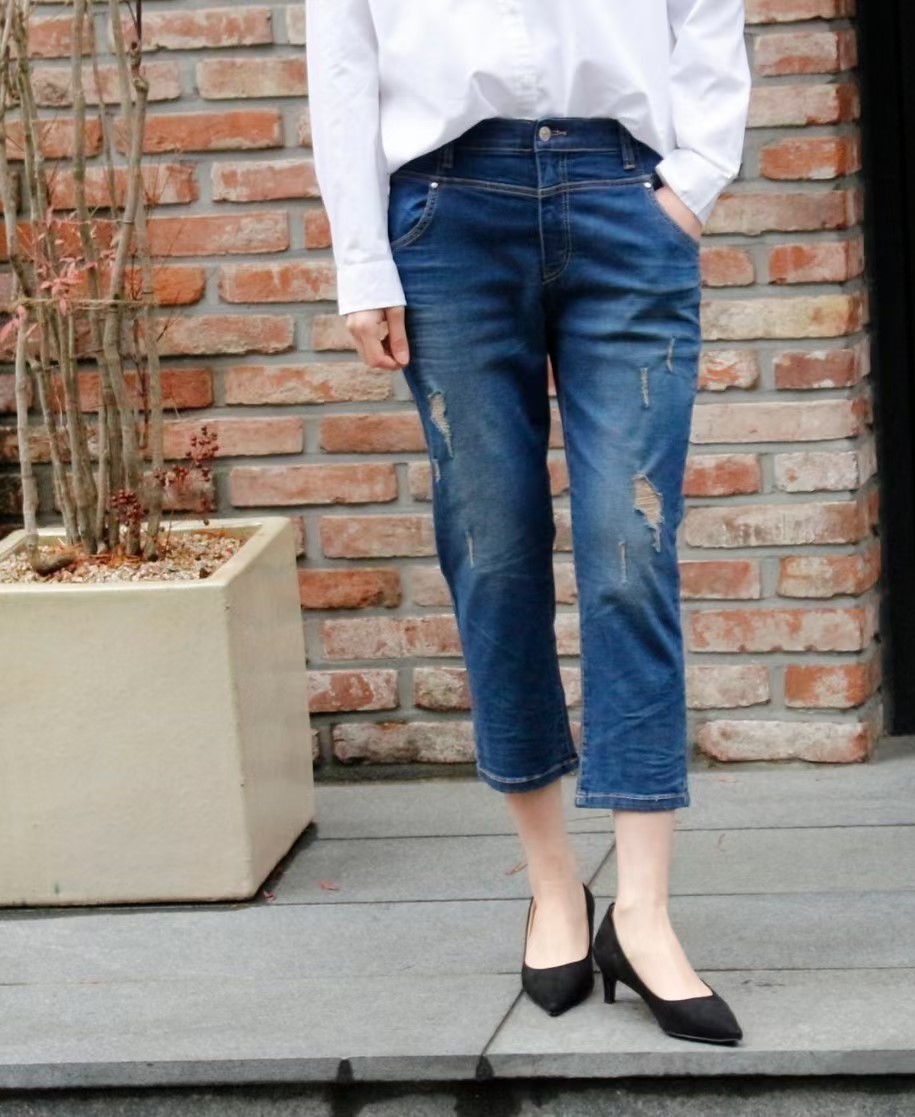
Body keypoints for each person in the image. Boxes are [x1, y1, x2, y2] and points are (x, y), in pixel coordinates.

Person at [306, 0, 752, 1045]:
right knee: (494, 553)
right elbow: (344, 60)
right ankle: (554, 885)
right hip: (446, 211)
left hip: (624, 195)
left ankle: (642, 913)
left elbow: (707, 16)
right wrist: (361, 261)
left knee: (630, 550)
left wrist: (692, 183)